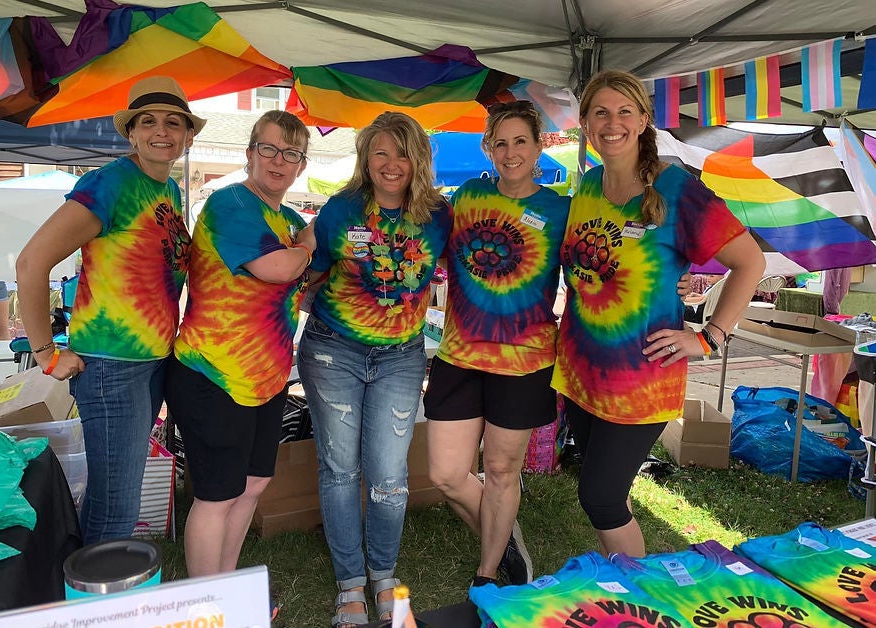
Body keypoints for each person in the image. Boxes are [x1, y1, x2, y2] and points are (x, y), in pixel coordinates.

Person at [552, 69, 765, 557]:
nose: (613, 123)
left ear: (644, 120)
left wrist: (709, 336)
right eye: (600, 112)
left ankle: (640, 597)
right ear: (584, 122)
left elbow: (750, 261)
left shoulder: (676, 190)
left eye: (625, 111)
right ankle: (621, 576)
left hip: (641, 378)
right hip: (582, 370)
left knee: (599, 497)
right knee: (607, 489)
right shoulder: (586, 186)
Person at [16, 76, 202, 544]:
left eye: (174, 122)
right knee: (119, 509)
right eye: (149, 122)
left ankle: (77, 588)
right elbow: (31, 263)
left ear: (188, 134)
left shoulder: (168, 192)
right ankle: (98, 605)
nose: (162, 131)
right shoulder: (110, 182)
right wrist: (45, 352)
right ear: (132, 133)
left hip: (152, 362)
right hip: (111, 366)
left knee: (109, 496)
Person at [296, 111, 453, 627]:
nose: (390, 164)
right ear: (365, 157)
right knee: (340, 471)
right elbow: (308, 276)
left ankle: (383, 576)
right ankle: (350, 586)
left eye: (401, 153)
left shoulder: (438, 216)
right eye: (380, 152)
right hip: (332, 352)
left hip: (401, 357)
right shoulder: (341, 211)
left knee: (389, 476)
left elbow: (465, 270)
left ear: (419, 160)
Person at [422, 100, 570, 590]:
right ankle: (503, 536)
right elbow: (422, 244)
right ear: (488, 147)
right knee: (445, 474)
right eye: (500, 142)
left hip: (524, 361)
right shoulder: (466, 197)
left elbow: (600, 274)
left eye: (520, 141)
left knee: (502, 469)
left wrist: (675, 287)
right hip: (459, 354)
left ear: (539, 145)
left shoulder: (559, 210)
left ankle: (488, 573)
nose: (510, 153)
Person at [165, 110, 315, 577]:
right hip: (213, 373)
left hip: (267, 379)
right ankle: (203, 604)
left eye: (290, 154)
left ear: (301, 166)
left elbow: (307, 285)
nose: (278, 161)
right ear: (250, 154)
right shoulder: (230, 204)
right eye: (268, 149)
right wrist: (310, 246)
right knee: (216, 495)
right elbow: (279, 269)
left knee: (252, 484)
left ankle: (225, 591)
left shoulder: (289, 218)